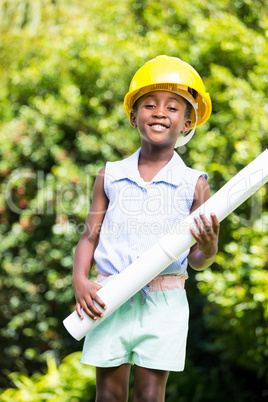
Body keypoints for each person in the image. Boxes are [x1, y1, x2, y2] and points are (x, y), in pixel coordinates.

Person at [72, 55, 220, 402]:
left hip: (165, 302)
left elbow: (198, 260)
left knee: (151, 397)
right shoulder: (109, 176)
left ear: (187, 123)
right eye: (149, 104)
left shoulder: (194, 184)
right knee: (108, 396)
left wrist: (209, 247)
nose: (159, 112)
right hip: (110, 297)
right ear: (133, 116)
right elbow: (88, 236)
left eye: (172, 108)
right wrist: (80, 279)